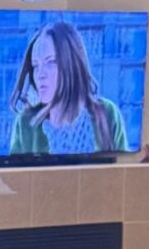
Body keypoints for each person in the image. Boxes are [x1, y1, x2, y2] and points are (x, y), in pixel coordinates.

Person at [8, 21, 128, 156]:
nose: (40, 74)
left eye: (50, 62)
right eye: (36, 66)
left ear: (72, 64)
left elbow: (123, 171)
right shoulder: (26, 123)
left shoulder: (107, 113)